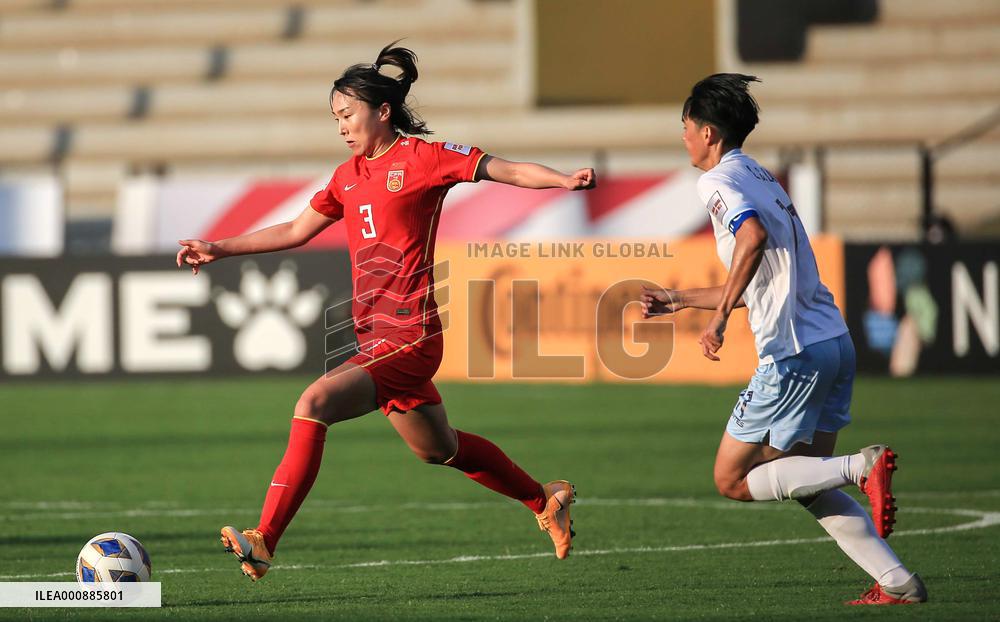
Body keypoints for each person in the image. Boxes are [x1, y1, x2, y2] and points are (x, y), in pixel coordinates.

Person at [176, 43, 594, 581]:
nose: (342, 127)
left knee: (314, 401)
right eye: (335, 118)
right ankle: (544, 500)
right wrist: (220, 247)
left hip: (412, 333)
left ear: (382, 111)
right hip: (375, 337)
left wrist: (561, 180)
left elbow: (503, 169)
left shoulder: (424, 158)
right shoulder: (346, 175)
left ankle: (264, 540)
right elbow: (295, 230)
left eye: (348, 115)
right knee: (439, 448)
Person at [639, 74, 926, 605]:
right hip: (832, 342)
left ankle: (861, 466)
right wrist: (679, 301)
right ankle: (898, 583)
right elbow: (759, 278)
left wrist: (719, 319)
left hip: (792, 352)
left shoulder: (718, 182)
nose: (682, 138)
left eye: (684, 128)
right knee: (805, 482)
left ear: (707, 133)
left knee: (732, 478)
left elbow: (752, 239)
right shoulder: (762, 176)